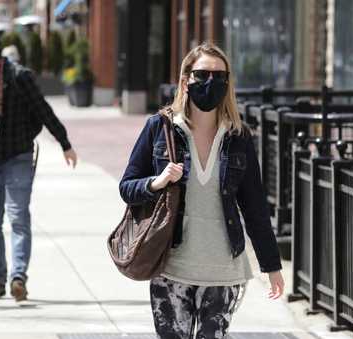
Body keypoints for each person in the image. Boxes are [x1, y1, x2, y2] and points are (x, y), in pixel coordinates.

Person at [119, 43, 284, 338]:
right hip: (171, 268)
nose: (212, 82)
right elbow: (127, 187)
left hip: (224, 273)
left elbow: (255, 205)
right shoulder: (161, 127)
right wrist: (155, 182)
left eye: (220, 76)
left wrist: (271, 265)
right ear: (185, 80)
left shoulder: (238, 136)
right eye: (203, 74)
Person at [0, 28, 78, 302]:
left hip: (18, 158)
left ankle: (18, 277)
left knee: (18, 218)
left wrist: (65, 143)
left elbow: (43, 111)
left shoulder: (19, 76)